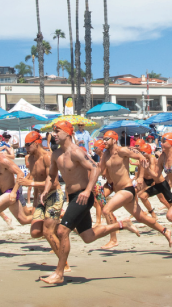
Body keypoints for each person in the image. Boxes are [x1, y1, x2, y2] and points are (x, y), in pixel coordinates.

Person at [39, 120, 137, 285]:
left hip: (83, 196)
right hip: (73, 197)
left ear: (67, 133)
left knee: (62, 231)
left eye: (57, 131)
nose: (54, 135)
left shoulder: (76, 152)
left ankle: (59, 273)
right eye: (54, 132)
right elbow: (51, 176)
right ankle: (122, 224)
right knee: (87, 236)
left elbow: (95, 169)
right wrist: (45, 190)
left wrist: (87, 191)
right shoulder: (56, 155)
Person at [98, 130, 172, 247]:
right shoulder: (106, 155)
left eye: (107, 139)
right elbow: (100, 170)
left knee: (106, 210)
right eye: (104, 139)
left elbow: (141, 157)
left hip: (126, 189)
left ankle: (113, 240)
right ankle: (165, 230)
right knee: (141, 217)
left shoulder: (122, 150)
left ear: (114, 140)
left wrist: (140, 177)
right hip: (118, 190)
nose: (104, 141)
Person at [20, 131, 66, 261]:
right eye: (25, 146)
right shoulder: (30, 158)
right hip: (41, 197)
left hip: (54, 195)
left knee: (47, 232)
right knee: (35, 233)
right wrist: (35, 202)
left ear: (36, 143)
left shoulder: (47, 157)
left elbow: (54, 182)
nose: (26, 148)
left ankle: (63, 263)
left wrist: (31, 183)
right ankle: (60, 226)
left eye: (28, 145)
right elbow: (35, 179)